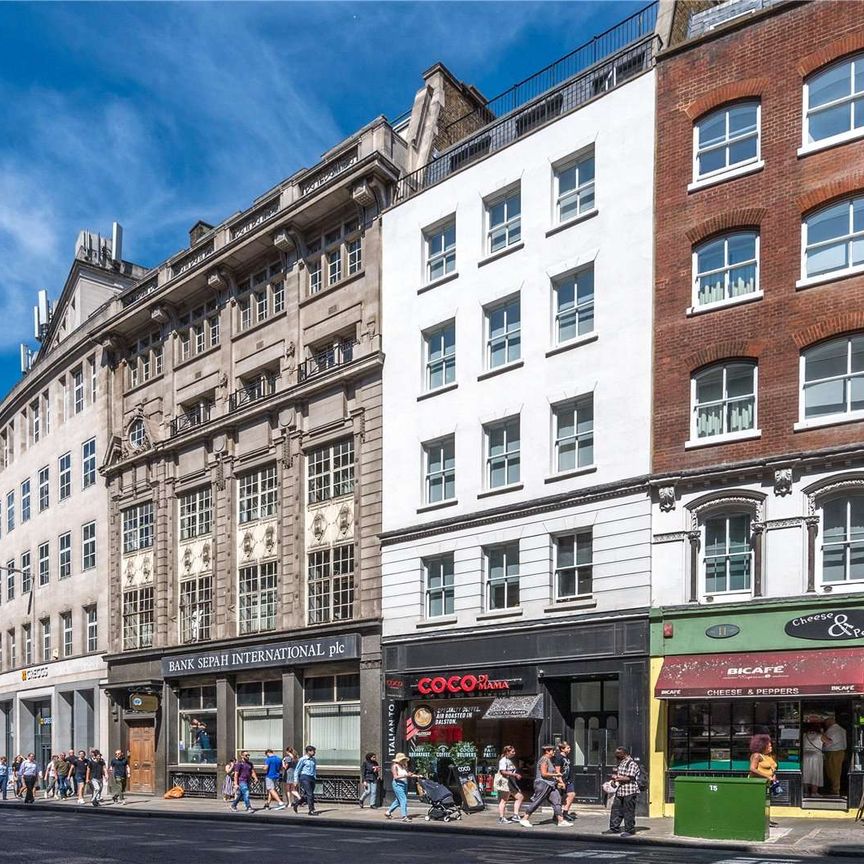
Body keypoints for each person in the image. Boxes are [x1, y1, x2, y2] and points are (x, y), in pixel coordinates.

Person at [519, 744, 570, 828]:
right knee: (537, 801)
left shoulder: (548, 760)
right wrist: (556, 774)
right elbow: (544, 774)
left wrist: (557, 779)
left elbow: (550, 773)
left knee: (557, 800)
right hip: (543, 784)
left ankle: (561, 820)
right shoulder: (544, 760)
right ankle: (525, 818)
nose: (554, 752)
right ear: (547, 751)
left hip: (550, 784)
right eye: (552, 751)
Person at [602, 745, 640, 837]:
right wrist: (615, 779)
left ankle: (629, 830)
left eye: (619, 753)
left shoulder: (631, 764)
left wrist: (618, 778)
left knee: (628, 811)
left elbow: (629, 778)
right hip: (620, 790)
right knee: (616, 809)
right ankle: (614, 828)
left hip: (629, 791)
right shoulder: (621, 762)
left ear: (625, 754)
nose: (617, 755)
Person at [748, 734, 778, 828]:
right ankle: (759, 820)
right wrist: (767, 776)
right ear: (762, 746)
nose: (770, 747)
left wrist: (773, 776)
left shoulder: (769, 756)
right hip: (757, 783)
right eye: (768, 746)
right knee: (759, 802)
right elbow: (752, 769)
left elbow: (773, 768)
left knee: (766, 802)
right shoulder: (757, 756)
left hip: (767, 783)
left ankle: (767, 819)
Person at [385, 753, 418, 823]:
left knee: (398, 800)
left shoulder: (404, 766)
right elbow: (395, 777)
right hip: (398, 784)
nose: (404, 761)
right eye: (403, 760)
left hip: (404, 784)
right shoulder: (395, 766)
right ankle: (404, 816)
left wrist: (417, 776)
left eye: (404, 760)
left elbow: (408, 774)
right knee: (404, 800)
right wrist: (406, 775)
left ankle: (388, 812)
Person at [496, 745, 524, 824]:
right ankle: (502, 818)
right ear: (507, 752)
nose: (514, 753)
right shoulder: (503, 760)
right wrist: (515, 775)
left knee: (520, 797)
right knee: (504, 800)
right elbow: (503, 771)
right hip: (505, 783)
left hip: (511, 783)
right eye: (512, 752)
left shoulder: (509, 760)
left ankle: (515, 815)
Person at [823, 714, 847, 797]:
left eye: (826, 721)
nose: (825, 723)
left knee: (834, 772)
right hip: (839, 752)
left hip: (834, 752)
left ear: (830, 720)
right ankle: (834, 789)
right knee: (835, 771)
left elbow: (828, 742)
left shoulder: (833, 730)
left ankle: (835, 790)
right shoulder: (841, 729)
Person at [803, 722, 828, 797]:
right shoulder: (820, 735)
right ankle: (814, 792)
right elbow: (829, 742)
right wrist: (823, 732)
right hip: (816, 756)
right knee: (815, 774)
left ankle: (805, 791)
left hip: (805, 755)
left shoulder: (804, 735)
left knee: (806, 773)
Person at [293, 745, 320, 815]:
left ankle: (297, 803)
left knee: (307, 795)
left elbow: (314, 769)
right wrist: (295, 780)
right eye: (313, 751)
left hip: (312, 777)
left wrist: (315, 777)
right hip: (304, 777)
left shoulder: (313, 759)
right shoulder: (303, 759)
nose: (314, 753)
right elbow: (297, 770)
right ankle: (311, 810)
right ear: (308, 751)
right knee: (310, 794)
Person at [554, 741, 577, 822]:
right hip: (561, 780)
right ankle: (557, 814)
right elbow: (557, 771)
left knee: (572, 794)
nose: (570, 749)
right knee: (559, 798)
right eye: (568, 748)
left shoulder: (567, 757)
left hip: (568, 780)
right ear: (562, 749)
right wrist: (560, 781)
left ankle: (565, 812)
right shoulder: (558, 758)